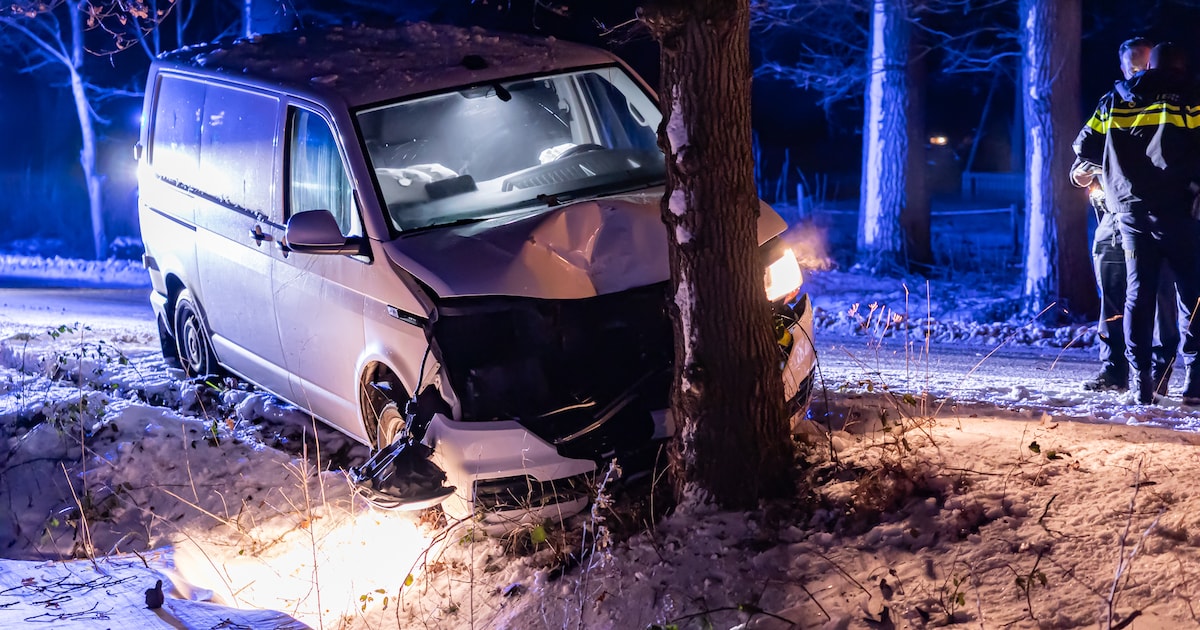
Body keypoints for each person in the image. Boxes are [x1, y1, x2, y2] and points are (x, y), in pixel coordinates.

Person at [1074, 42, 1200, 405]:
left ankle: (1141, 383)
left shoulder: (1115, 99)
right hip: (1180, 213)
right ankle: (1194, 381)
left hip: (1129, 213)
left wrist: (1117, 172)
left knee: (1137, 297)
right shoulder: (1190, 96)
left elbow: (1084, 148)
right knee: (1192, 297)